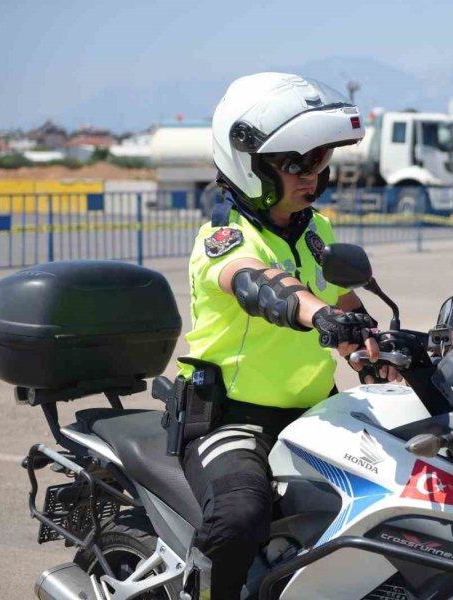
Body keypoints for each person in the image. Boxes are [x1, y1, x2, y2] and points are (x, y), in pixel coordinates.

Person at [178, 72, 392, 600]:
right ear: (248, 161)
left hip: (315, 413)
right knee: (240, 515)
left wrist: (379, 351)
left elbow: (346, 306)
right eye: (295, 162)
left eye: (318, 159)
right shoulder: (223, 238)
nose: (310, 175)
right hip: (230, 417)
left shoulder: (315, 230)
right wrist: (319, 315)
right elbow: (263, 285)